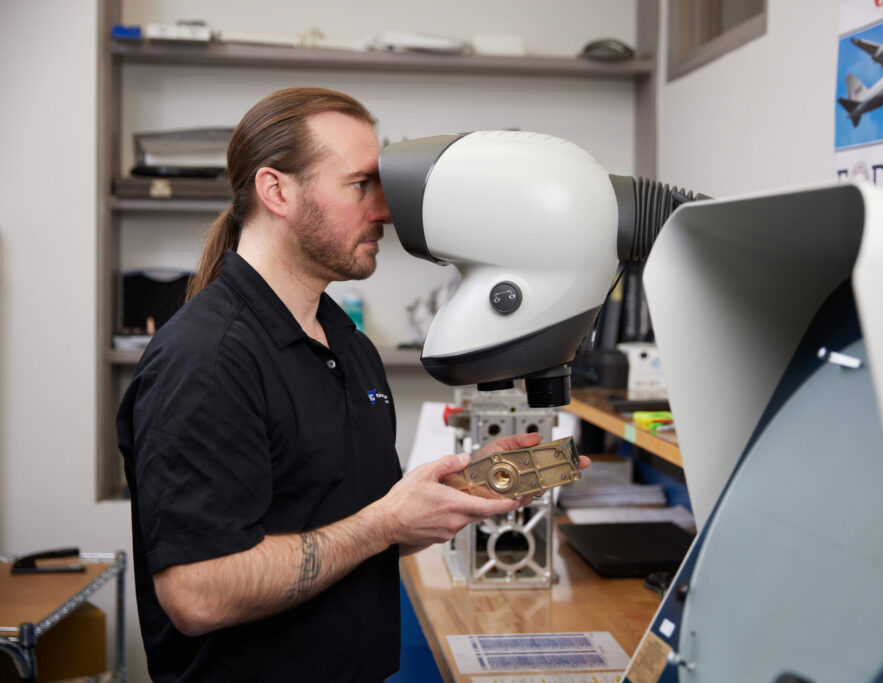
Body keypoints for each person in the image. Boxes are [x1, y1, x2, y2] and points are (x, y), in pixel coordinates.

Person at [116, 87, 588, 682]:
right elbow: (198, 593)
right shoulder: (207, 359)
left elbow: (347, 524)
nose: (384, 211)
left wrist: (464, 485)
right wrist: (385, 523)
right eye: (359, 185)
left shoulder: (347, 345)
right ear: (276, 191)